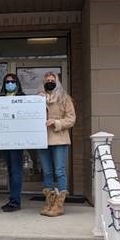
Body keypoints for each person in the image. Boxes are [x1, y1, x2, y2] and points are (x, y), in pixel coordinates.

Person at [37, 72, 76, 217]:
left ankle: (59, 205)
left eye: (52, 80)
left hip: (59, 138)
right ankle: (49, 202)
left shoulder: (65, 99)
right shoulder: (38, 98)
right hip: (42, 139)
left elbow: (71, 119)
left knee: (59, 170)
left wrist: (56, 122)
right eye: (47, 80)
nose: (50, 82)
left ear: (57, 82)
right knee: (46, 171)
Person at [0, 73, 25, 212]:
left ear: (17, 83)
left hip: (17, 141)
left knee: (16, 171)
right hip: (4, 140)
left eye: (13, 81)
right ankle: (12, 199)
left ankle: (15, 202)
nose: (10, 84)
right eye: (7, 81)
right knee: (10, 171)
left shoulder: (23, 98)